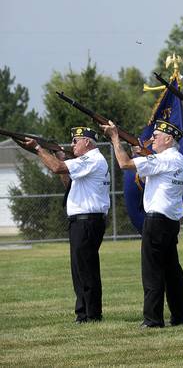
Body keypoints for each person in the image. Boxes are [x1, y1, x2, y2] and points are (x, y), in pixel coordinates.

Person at [102, 119, 183, 328]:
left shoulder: (164, 159)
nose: (153, 139)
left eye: (157, 136)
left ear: (169, 139)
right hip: (170, 221)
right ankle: (180, 315)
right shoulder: (179, 159)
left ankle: (153, 319)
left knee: (152, 271)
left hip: (156, 220)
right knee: (171, 270)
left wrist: (115, 138)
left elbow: (124, 164)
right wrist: (141, 153)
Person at [24, 127, 110, 323]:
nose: (72, 145)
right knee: (79, 269)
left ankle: (92, 314)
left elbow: (57, 168)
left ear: (87, 142)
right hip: (81, 221)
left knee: (86, 269)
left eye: (76, 141)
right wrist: (59, 155)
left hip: (87, 220)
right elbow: (67, 181)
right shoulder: (84, 162)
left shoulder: (92, 159)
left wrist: (39, 148)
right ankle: (83, 313)